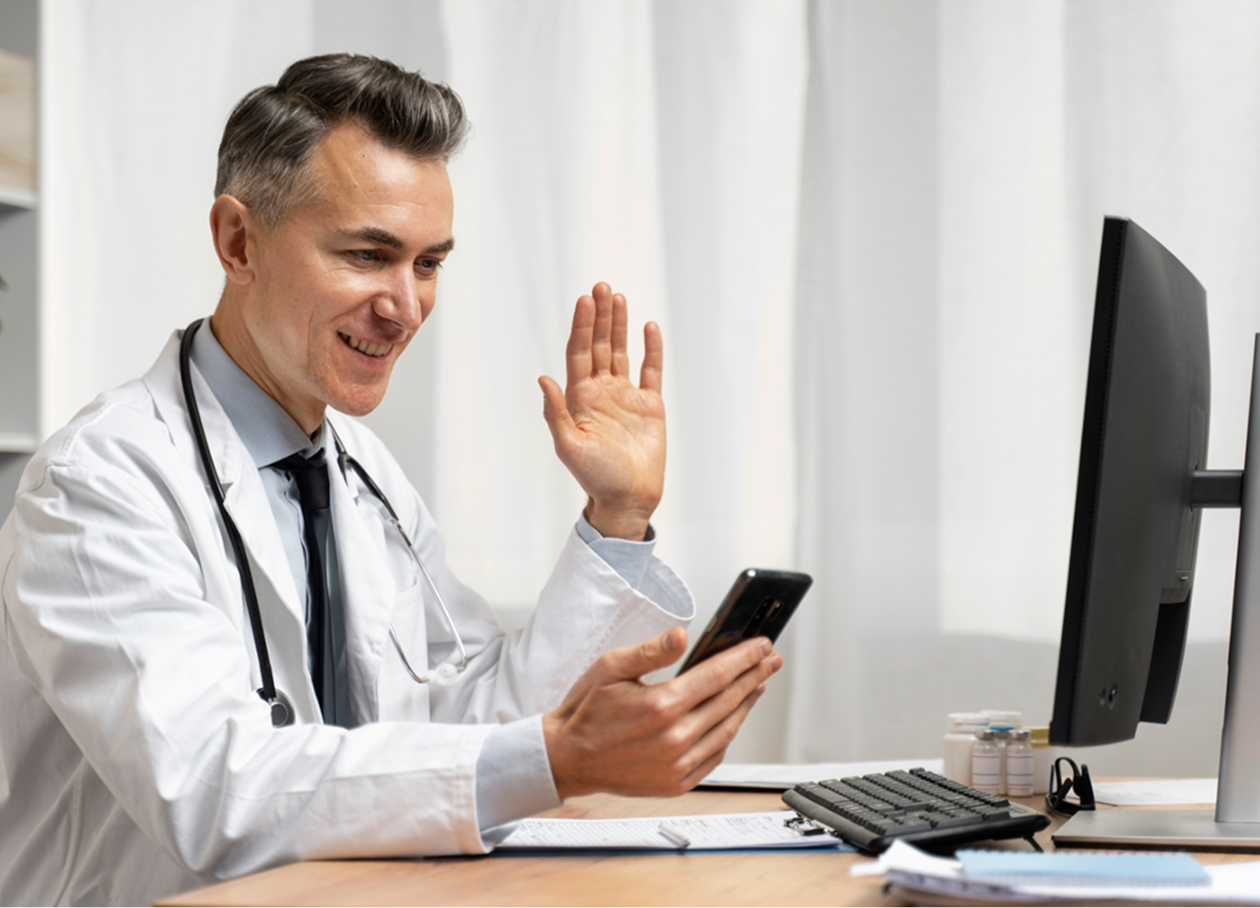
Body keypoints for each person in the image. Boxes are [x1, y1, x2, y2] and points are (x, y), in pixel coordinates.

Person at [0, 54, 781, 906]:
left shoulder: (362, 473)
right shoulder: (96, 484)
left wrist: (617, 513)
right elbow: (216, 791)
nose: (406, 308)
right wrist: (556, 757)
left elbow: (482, 727)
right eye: (369, 255)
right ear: (238, 242)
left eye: (428, 264)